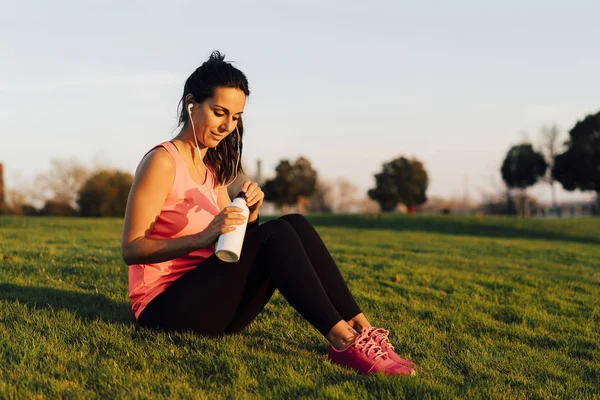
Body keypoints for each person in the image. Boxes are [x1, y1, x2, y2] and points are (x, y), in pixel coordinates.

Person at [121, 51, 416, 376]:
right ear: (192, 103)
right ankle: (343, 342)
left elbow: (233, 248)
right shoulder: (163, 161)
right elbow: (132, 248)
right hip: (164, 309)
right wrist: (202, 236)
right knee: (277, 233)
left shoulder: (211, 169)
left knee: (294, 223)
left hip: (210, 304)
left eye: (236, 117)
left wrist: (250, 217)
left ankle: (363, 331)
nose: (227, 126)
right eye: (219, 112)